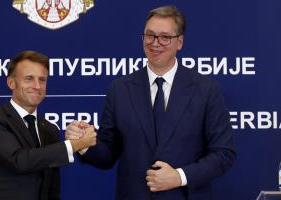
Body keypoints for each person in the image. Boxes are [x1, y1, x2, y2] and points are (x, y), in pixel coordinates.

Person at [66, 5, 236, 200]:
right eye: (150, 35)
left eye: (165, 37)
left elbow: (224, 154)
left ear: (179, 42)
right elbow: (107, 154)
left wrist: (179, 177)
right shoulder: (120, 89)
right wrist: (85, 144)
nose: (155, 43)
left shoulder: (206, 90)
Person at [0, 50, 96, 200]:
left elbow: (51, 185)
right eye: (29, 79)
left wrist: (80, 141)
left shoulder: (49, 129)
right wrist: (73, 145)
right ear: (11, 82)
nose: (37, 86)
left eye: (42, 79)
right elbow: (18, 161)